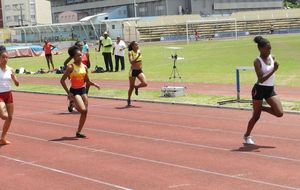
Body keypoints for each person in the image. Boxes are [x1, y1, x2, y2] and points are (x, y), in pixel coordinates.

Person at [243, 36, 283, 145]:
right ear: (260, 49)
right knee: (256, 116)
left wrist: (273, 67)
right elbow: (261, 79)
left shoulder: (272, 57)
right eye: (267, 48)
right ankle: (247, 135)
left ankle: (262, 108)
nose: (269, 50)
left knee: (279, 113)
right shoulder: (257, 61)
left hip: (270, 89)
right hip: (259, 89)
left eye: (270, 48)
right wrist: (274, 70)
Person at [61, 45, 100, 138]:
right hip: (74, 91)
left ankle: (78, 132)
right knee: (82, 110)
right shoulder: (71, 67)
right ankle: (73, 103)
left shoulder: (85, 67)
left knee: (85, 111)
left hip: (82, 90)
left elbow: (87, 80)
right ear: (73, 57)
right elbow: (62, 80)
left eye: (81, 55)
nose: (80, 56)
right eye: (78, 55)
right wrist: (68, 93)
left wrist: (93, 84)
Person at [63, 41, 91, 112]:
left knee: (84, 98)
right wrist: (70, 72)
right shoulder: (74, 55)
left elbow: (88, 65)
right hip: (75, 74)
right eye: (80, 45)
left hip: (83, 74)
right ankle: (72, 103)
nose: (81, 46)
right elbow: (65, 63)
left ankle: (74, 102)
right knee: (77, 93)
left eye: (82, 45)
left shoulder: (85, 54)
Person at [0, 46, 19, 145]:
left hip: (8, 94)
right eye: (3, 57)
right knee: (3, 116)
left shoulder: (10, 69)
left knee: (10, 118)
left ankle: (2, 138)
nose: (5, 59)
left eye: (7, 57)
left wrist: (15, 79)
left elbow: (17, 83)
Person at [127, 41, 147, 106]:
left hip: (139, 70)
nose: (138, 45)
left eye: (138, 44)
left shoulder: (139, 51)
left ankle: (137, 87)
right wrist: (138, 56)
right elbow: (131, 62)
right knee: (131, 87)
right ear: (132, 46)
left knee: (145, 83)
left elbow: (140, 61)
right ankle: (129, 99)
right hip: (133, 71)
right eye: (136, 45)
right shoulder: (130, 53)